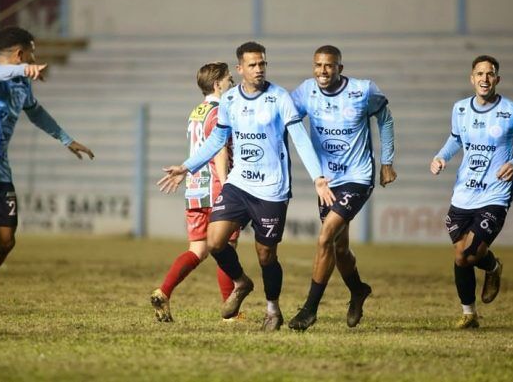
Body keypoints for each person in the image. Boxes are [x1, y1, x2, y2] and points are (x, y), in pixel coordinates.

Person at [157, 41, 335, 331]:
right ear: (240, 69)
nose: (259, 69)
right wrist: (187, 166)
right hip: (239, 183)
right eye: (252, 65)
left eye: (262, 64)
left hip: (272, 188)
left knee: (266, 254)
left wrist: (317, 176)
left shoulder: (279, 97)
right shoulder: (229, 101)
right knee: (215, 242)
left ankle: (272, 309)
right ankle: (241, 282)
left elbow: (299, 138)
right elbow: (217, 141)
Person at [0, 26, 94, 337]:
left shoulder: (22, 86)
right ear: (19, 53)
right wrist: (24, 69)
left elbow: (37, 113)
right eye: (31, 52)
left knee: (5, 242)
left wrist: (67, 140)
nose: (34, 57)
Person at [288, 45, 397, 331]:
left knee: (324, 238)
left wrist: (387, 161)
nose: (323, 71)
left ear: (340, 68)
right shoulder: (305, 92)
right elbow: (287, 118)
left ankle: (309, 310)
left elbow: (385, 119)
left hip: (358, 177)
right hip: (327, 183)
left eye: (329, 66)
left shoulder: (363, 91)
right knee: (340, 247)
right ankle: (358, 290)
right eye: (318, 65)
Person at [431, 55, 513, 329]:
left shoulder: (512, 112)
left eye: (490, 74)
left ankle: (493, 268)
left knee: (472, 253)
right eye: (480, 74)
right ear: (472, 78)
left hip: (495, 195)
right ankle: (469, 314)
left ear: (497, 79)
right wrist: (441, 157)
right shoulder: (460, 109)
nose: (485, 79)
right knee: (460, 255)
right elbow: (455, 139)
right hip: (463, 194)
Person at [150, 62, 241, 322]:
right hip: (215, 187)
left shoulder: (197, 112)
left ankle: (164, 291)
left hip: (195, 189)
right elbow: (220, 149)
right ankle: (230, 314)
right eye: (228, 79)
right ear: (217, 85)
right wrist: (227, 186)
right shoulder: (221, 111)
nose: (232, 82)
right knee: (226, 249)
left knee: (198, 250)